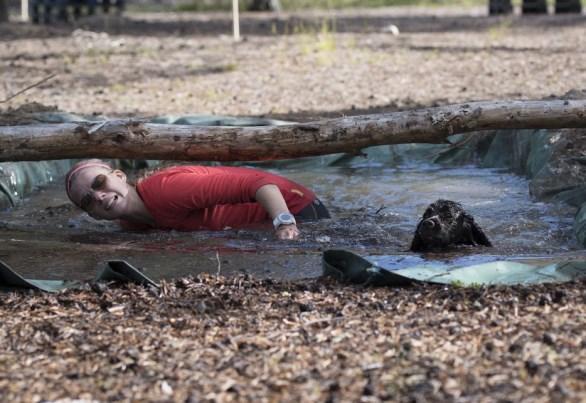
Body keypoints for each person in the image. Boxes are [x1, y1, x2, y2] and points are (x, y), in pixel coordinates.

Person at [65, 159, 330, 240]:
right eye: (87, 201)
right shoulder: (132, 226)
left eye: (100, 182)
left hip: (299, 208)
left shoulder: (168, 190)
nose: (99, 196)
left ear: (120, 176)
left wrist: (284, 224)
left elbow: (261, 184)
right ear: (92, 215)